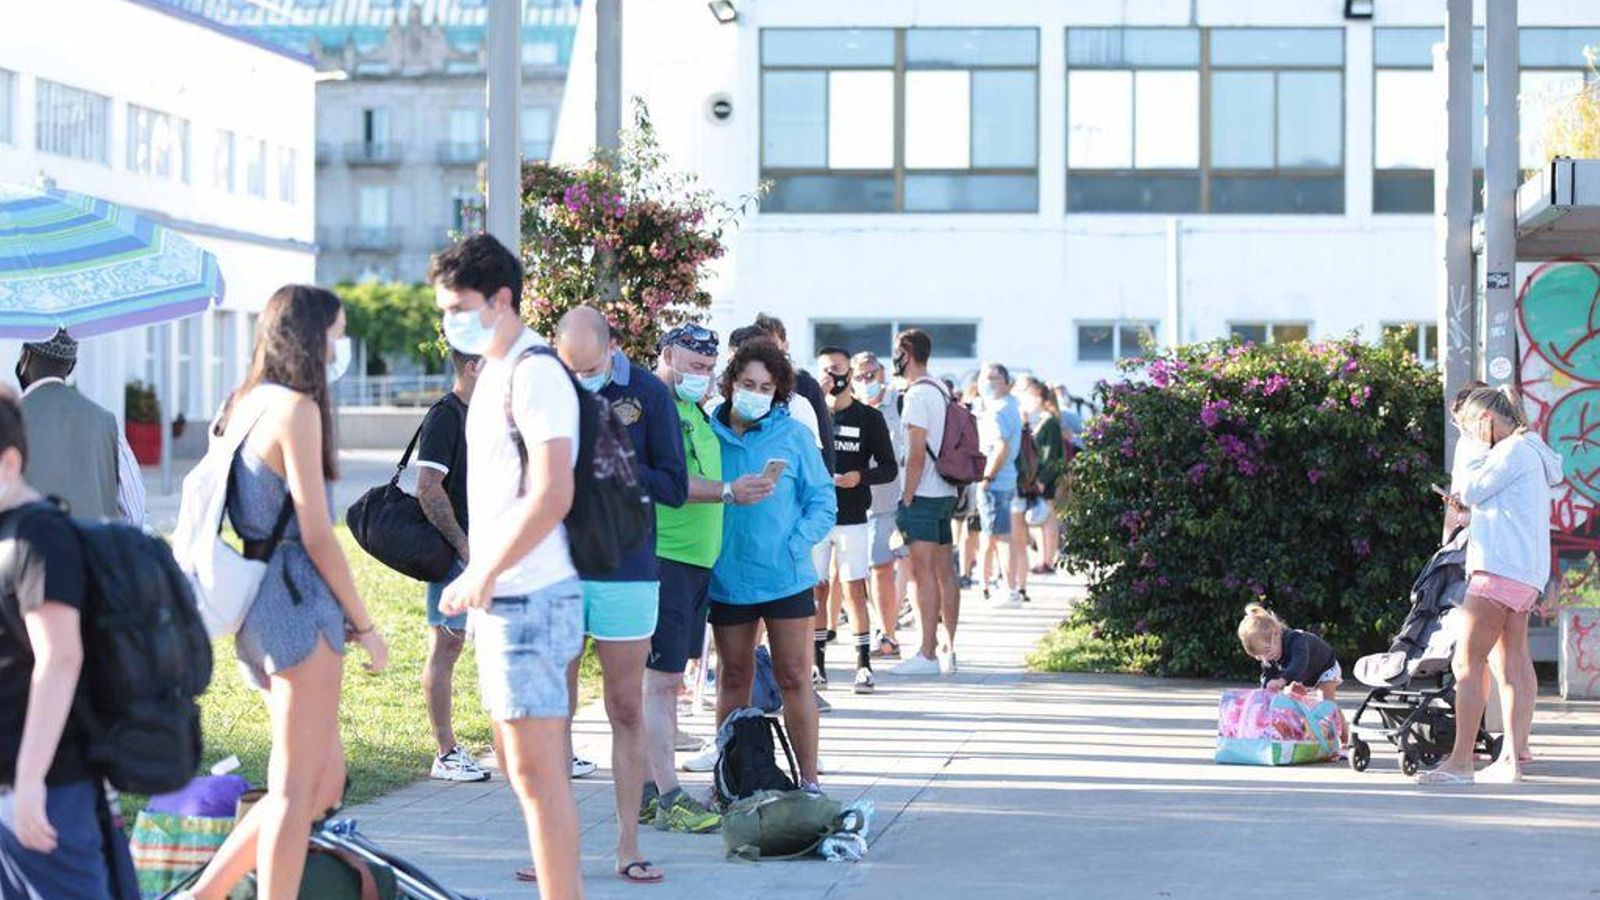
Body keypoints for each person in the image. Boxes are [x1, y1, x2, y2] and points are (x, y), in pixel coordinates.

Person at [183, 285, 390, 900]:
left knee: (321, 782)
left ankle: (205, 894)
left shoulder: (243, 401)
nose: (340, 346)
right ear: (311, 336)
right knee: (298, 788)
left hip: (260, 605)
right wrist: (366, 623)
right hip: (299, 604)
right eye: (337, 332)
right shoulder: (296, 410)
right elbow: (317, 534)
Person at [430, 234, 584, 897]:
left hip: (531, 596)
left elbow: (554, 491)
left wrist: (485, 571)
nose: (451, 320)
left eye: (460, 305)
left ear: (501, 299)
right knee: (524, 776)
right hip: (504, 600)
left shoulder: (535, 372)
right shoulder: (490, 372)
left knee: (540, 779)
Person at [553, 306, 688, 883]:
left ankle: (628, 845)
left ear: (612, 348)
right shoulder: (545, 387)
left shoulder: (650, 396)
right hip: (555, 569)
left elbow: (675, 486)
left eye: (587, 367)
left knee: (625, 707)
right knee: (550, 712)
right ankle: (552, 848)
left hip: (627, 568)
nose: (578, 376)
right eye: (569, 366)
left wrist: (614, 469)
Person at [0, 388, 139, 898]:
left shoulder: (41, 536)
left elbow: (60, 657)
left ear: (9, 462)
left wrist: (30, 780)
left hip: (47, 787)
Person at [641, 323, 766, 834]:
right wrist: (728, 491)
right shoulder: (655, 408)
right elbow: (672, 483)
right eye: (695, 367)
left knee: (669, 682)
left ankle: (653, 790)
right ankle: (667, 794)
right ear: (667, 355)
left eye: (710, 368)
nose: (704, 377)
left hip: (694, 563)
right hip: (663, 557)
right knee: (660, 682)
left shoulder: (693, 410)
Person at [708, 337, 836, 792]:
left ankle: (810, 781)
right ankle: (728, 778)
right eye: (747, 383)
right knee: (734, 676)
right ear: (729, 383)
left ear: (778, 392)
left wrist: (794, 544)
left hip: (786, 577)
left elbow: (823, 501)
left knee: (795, 676)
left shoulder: (795, 435)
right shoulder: (707, 431)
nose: (755, 393)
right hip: (727, 578)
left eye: (765, 387)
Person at [1420, 386, 1562, 785]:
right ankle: (1511, 761)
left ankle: (1461, 762)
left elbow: (1472, 488)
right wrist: (1470, 513)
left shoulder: (1508, 451)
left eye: (1470, 428)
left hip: (1497, 570)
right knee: (1512, 662)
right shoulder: (1530, 452)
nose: (1468, 436)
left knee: (1466, 663)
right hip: (1524, 573)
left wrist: (1477, 451)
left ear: (1486, 422)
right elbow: (1499, 506)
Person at [414, 349, 490, 783]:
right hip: (457, 555)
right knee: (446, 646)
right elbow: (428, 488)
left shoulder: (491, 414)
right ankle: (445, 752)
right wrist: (465, 547)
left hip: (492, 548)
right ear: (472, 366)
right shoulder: (446, 415)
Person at [813, 347, 898, 695]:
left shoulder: (869, 418)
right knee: (817, 589)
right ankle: (816, 665)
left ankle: (863, 664)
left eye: (836, 370)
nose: (830, 377)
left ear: (849, 373)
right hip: (816, 517)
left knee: (854, 588)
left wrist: (859, 477)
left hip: (853, 516)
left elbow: (889, 468)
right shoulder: (810, 417)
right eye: (824, 371)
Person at [889, 329, 962, 677]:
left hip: (923, 494)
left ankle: (927, 653)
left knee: (922, 574)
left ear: (906, 352)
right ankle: (949, 647)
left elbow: (916, 452)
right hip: (946, 491)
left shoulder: (918, 395)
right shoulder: (941, 389)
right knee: (946, 570)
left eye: (896, 352)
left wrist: (906, 497)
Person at [15, 328, 141, 524]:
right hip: (95, 550)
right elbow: (135, 512)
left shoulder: (9, 419)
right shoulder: (106, 421)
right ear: (71, 365)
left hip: (26, 550)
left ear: (25, 357)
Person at [852, 351, 907, 659]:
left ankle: (896, 633)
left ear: (883, 373)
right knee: (878, 569)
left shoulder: (900, 402)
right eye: (859, 377)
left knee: (902, 567)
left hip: (903, 497)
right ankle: (885, 631)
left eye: (871, 375)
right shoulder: (853, 408)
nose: (865, 381)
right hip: (871, 500)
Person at [752, 313, 835, 475]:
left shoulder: (806, 386)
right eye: (761, 344)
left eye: (772, 344)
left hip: (799, 475)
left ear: (785, 345)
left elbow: (825, 443)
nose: (767, 351)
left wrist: (826, 485)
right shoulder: (742, 387)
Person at [974, 363, 1027, 608]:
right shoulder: (1010, 405)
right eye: (986, 377)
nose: (989, 382)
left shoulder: (999, 410)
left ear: (1007, 382)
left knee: (1001, 537)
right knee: (995, 536)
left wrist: (987, 477)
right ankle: (996, 585)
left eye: (995, 378)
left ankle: (1010, 589)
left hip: (996, 481)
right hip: (1006, 479)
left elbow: (1001, 447)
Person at [1238, 604, 1342, 702]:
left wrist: (1282, 680)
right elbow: (1268, 673)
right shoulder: (1270, 655)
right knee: (1293, 698)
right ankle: (1302, 719)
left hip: (1325, 668)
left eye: (1266, 651)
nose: (1264, 658)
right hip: (1303, 676)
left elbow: (1299, 663)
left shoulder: (1296, 640)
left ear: (1276, 633)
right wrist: (1266, 690)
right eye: (1259, 656)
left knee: (1326, 701)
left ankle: (1334, 718)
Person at [1017, 376, 1065, 575]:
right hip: (1036, 477)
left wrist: (1043, 479)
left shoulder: (1050, 421)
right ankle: (1042, 558)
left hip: (1045, 477)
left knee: (1048, 518)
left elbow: (1051, 453)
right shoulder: (1038, 419)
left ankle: (1048, 560)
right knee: (1039, 519)